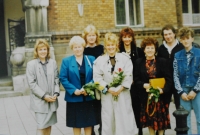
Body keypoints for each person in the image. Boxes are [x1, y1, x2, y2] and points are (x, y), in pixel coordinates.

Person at [93, 32, 138, 135]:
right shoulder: (99, 61)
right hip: (108, 95)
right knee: (108, 120)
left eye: (112, 44)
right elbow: (97, 78)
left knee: (124, 119)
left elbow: (128, 75)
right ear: (105, 46)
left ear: (116, 45)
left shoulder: (125, 58)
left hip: (122, 94)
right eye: (108, 45)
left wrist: (120, 88)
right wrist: (108, 88)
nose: (110, 47)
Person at [59, 36, 99, 135]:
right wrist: (74, 90)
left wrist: (88, 88)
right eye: (75, 47)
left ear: (83, 47)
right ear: (72, 48)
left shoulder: (91, 59)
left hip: (88, 97)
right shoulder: (66, 61)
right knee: (76, 124)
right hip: (74, 98)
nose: (78, 49)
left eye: (79, 47)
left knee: (88, 123)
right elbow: (63, 78)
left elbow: (97, 76)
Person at [134, 37, 172, 135]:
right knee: (150, 122)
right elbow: (136, 79)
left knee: (161, 123)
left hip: (160, 98)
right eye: (147, 48)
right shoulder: (138, 62)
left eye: (152, 48)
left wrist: (163, 90)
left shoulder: (163, 61)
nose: (150, 50)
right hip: (147, 98)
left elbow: (169, 79)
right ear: (144, 50)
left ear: (155, 49)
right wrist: (144, 85)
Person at [26, 39, 60, 135]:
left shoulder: (52, 63)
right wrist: (44, 96)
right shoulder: (31, 64)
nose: (43, 51)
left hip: (52, 100)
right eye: (40, 49)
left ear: (48, 50)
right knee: (41, 126)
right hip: (40, 101)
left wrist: (56, 94)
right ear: (36, 51)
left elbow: (56, 79)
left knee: (49, 125)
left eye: (45, 49)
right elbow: (32, 84)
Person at [173, 27, 200, 134]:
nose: (185, 41)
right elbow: (175, 75)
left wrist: (195, 90)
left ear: (192, 39)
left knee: (199, 118)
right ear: (180, 40)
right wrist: (180, 92)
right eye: (183, 38)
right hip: (183, 90)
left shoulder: (199, 53)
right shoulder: (177, 55)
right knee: (185, 119)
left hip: (197, 90)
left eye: (187, 38)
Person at [119, 27, 145, 135]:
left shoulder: (138, 51)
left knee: (136, 107)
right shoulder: (118, 52)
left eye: (129, 37)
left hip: (135, 85)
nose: (127, 39)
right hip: (123, 85)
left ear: (132, 38)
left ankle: (139, 130)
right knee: (124, 108)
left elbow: (141, 68)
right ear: (122, 38)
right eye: (124, 37)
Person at [82, 24, 104, 135]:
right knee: (90, 107)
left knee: (101, 106)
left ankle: (102, 128)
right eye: (89, 35)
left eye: (93, 35)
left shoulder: (101, 48)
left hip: (100, 81)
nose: (91, 38)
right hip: (89, 82)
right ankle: (91, 131)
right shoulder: (83, 50)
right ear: (85, 37)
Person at [157, 24, 184, 109]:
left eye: (170, 34)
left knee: (180, 108)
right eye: (165, 34)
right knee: (164, 109)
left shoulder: (181, 47)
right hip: (165, 83)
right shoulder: (160, 49)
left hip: (179, 83)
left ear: (174, 34)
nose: (168, 36)